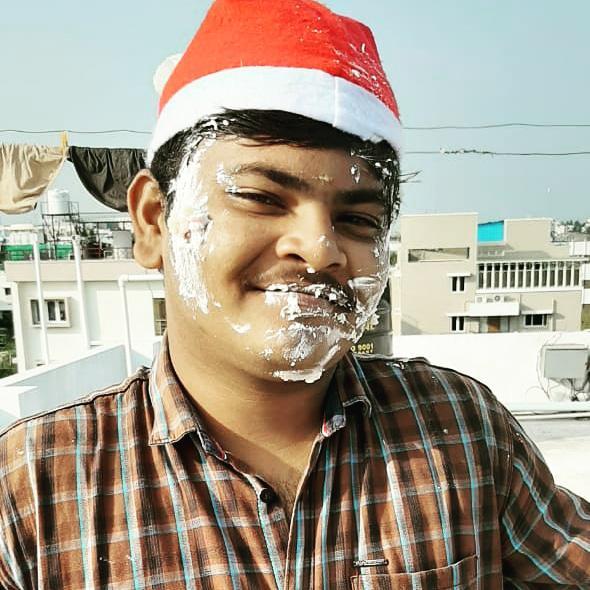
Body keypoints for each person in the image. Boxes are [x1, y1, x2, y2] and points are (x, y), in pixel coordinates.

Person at [1, 0, 589, 588]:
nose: (320, 248)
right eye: (261, 198)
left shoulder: (462, 430)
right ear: (154, 221)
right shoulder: (30, 492)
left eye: (357, 219)